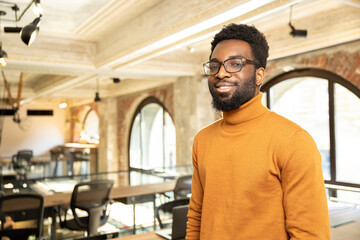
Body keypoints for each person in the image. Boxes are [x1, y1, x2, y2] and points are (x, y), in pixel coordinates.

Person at [186, 23, 330, 239]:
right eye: (214, 66)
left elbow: (310, 235)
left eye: (235, 64)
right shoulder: (202, 139)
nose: (221, 73)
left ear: (259, 75)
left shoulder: (293, 141)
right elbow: (197, 216)